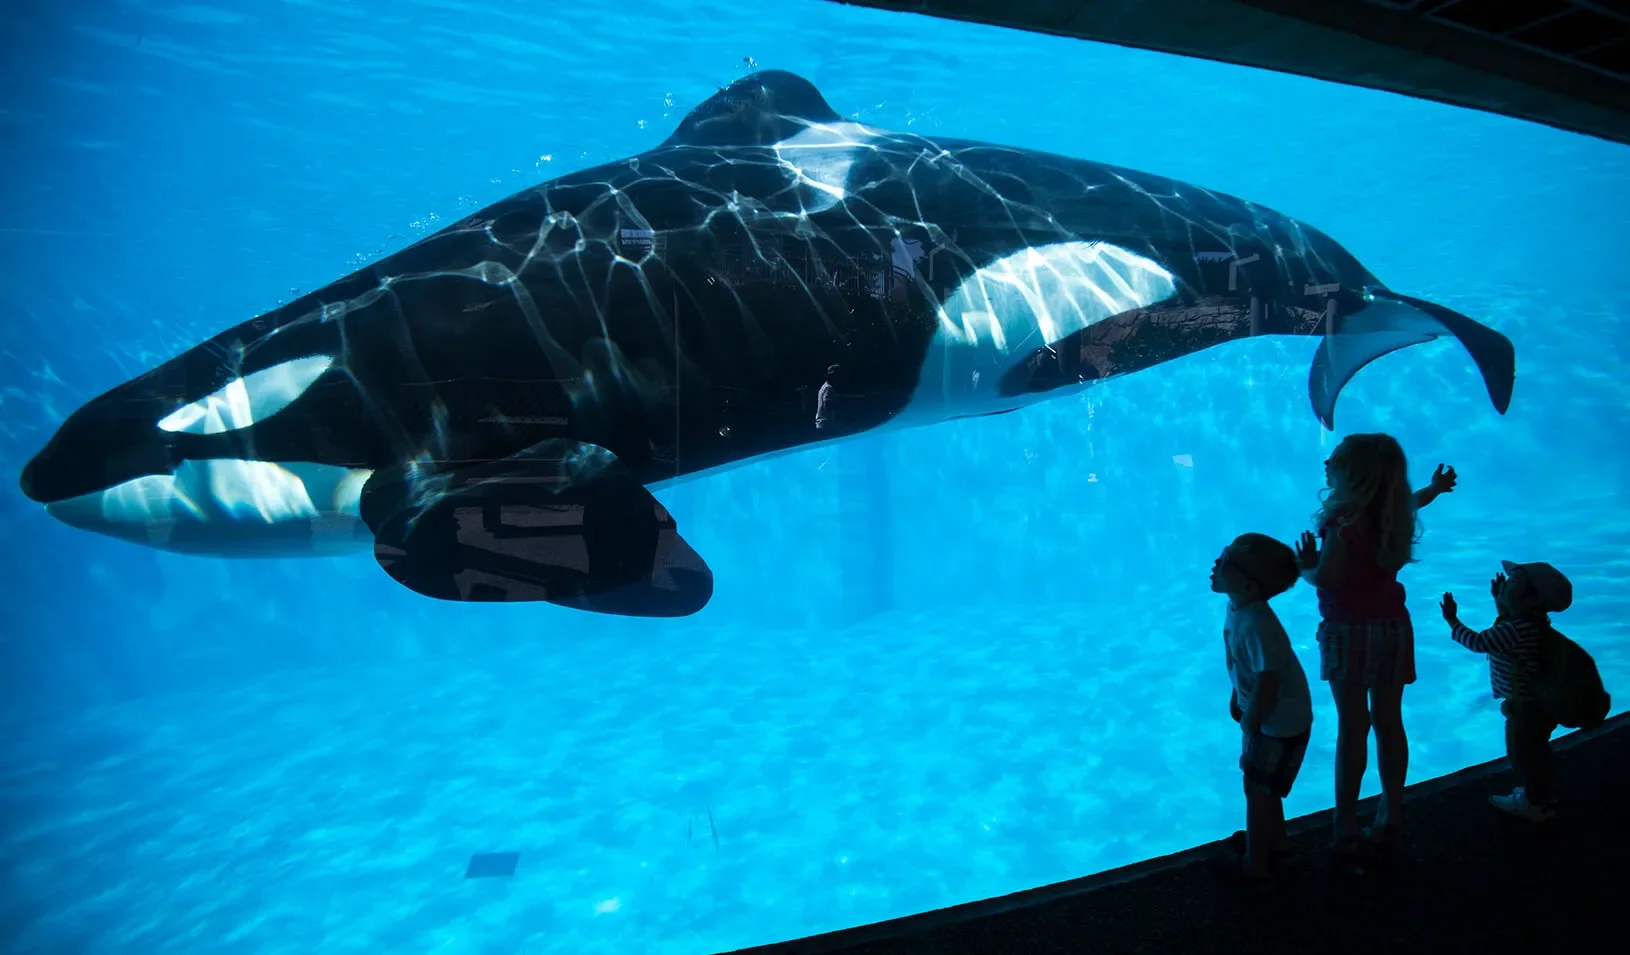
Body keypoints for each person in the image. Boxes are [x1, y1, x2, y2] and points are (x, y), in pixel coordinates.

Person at [1292, 434, 1457, 874]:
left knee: (1352, 728)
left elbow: (1326, 579)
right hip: (1392, 628)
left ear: (1355, 476)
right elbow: (1413, 500)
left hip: (1349, 633)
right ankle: (1392, 811)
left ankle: (1345, 826)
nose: (1327, 464)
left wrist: (1305, 565)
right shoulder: (1389, 512)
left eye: (1337, 463)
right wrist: (1435, 489)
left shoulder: (1344, 523)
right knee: (1388, 722)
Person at [1210, 533, 1313, 884]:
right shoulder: (1238, 607)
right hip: (1271, 719)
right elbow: (1248, 670)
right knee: (1263, 788)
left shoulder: (1257, 624)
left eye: (1226, 561)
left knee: (1257, 791)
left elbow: (1268, 681)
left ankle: (1256, 863)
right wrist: (1239, 698)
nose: (1216, 563)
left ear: (1249, 587)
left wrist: (1250, 720)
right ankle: (1278, 843)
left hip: (1276, 725)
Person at [1440, 560, 1574, 823]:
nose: (1506, 584)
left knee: (1522, 754)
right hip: (1537, 706)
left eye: (1513, 583)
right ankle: (1543, 794)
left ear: (1532, 598)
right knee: (1537, 752)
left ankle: (1533, 804)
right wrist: (1501, 602)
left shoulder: (1516, 629)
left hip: (1524, 709)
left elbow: (1479, 642)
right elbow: (1507, 624)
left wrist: (1453, 621)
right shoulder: (1532, 622)